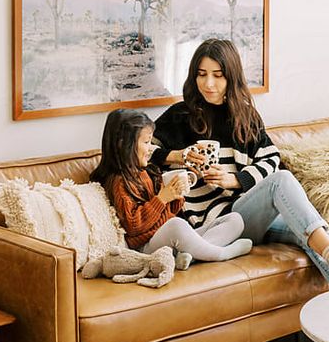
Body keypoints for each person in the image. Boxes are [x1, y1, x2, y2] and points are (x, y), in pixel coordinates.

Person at [152, 38, 329, 288]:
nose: (208, 84)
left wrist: (235, 180)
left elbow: (270, 159)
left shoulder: (244, 116)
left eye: (218, 75)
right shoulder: (179, 116)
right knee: (283, 183)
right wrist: (179, 156)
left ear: (231, 77)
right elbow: (143, 150)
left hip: (247, 214)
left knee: (310, 231)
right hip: (214, 227)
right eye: (201, 75)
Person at [91, 109, 253, 264]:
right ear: (123, 143)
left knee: (234, 219)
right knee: (177, 225)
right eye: (146, 142)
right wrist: (162, 198)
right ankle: (220, 254)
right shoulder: (119, 182)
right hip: (145, 248)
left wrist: (176, 195)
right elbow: (134, 227)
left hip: (168, 240)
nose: (150, 149)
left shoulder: (145, 172)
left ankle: (191, 255)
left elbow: (166, 215)